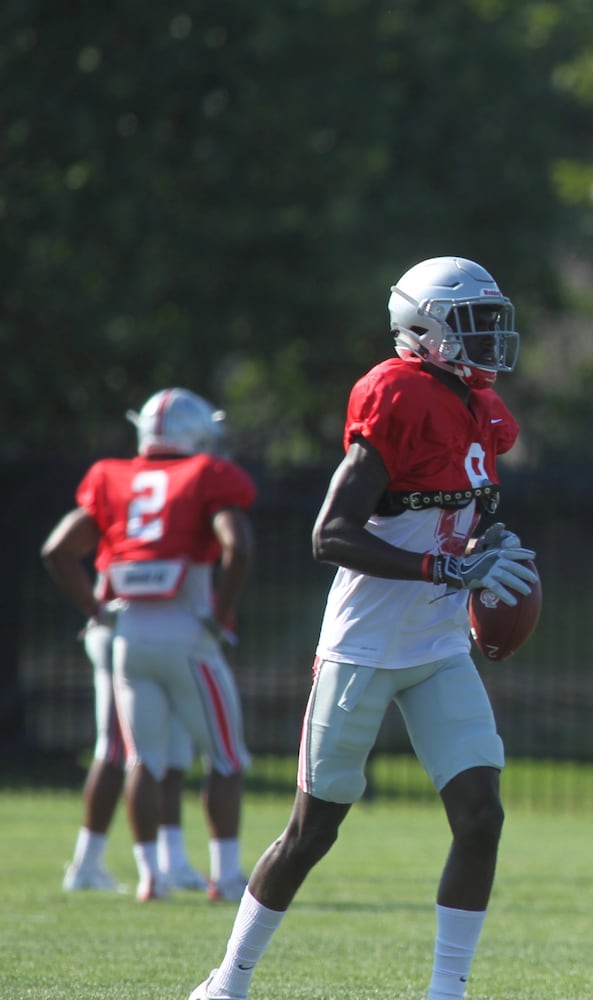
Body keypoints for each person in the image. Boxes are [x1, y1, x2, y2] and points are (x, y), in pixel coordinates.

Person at [189, 256, 538, 1000]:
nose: (488, 336)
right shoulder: (396, 391)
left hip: (441, 647)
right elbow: (332, 534)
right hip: (365, 648)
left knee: (481, 818)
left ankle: (447, 993)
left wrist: (488, 549)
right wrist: (446, 571)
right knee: (311, 833)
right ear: (423, 327)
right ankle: (229, 980)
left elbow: (463, 517)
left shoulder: (483, 407)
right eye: (472, 321)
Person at [42, 387, 255, 902]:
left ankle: (151, 877)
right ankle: (225, 876)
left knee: (145, 759)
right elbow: (238, 544)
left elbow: (56, 550)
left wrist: (97, 612)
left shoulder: (112, 476)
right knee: (226, 758)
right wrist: (221, 612)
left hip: (127, 636)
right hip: (185, 627)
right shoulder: (208, 475)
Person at [56, 599, 211, 893]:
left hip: (155, 635)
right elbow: (58, 554)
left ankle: (173, 861)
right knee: (118, 750)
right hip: (128, 633)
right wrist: (96, 608)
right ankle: (87, 864)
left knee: (172, 752)